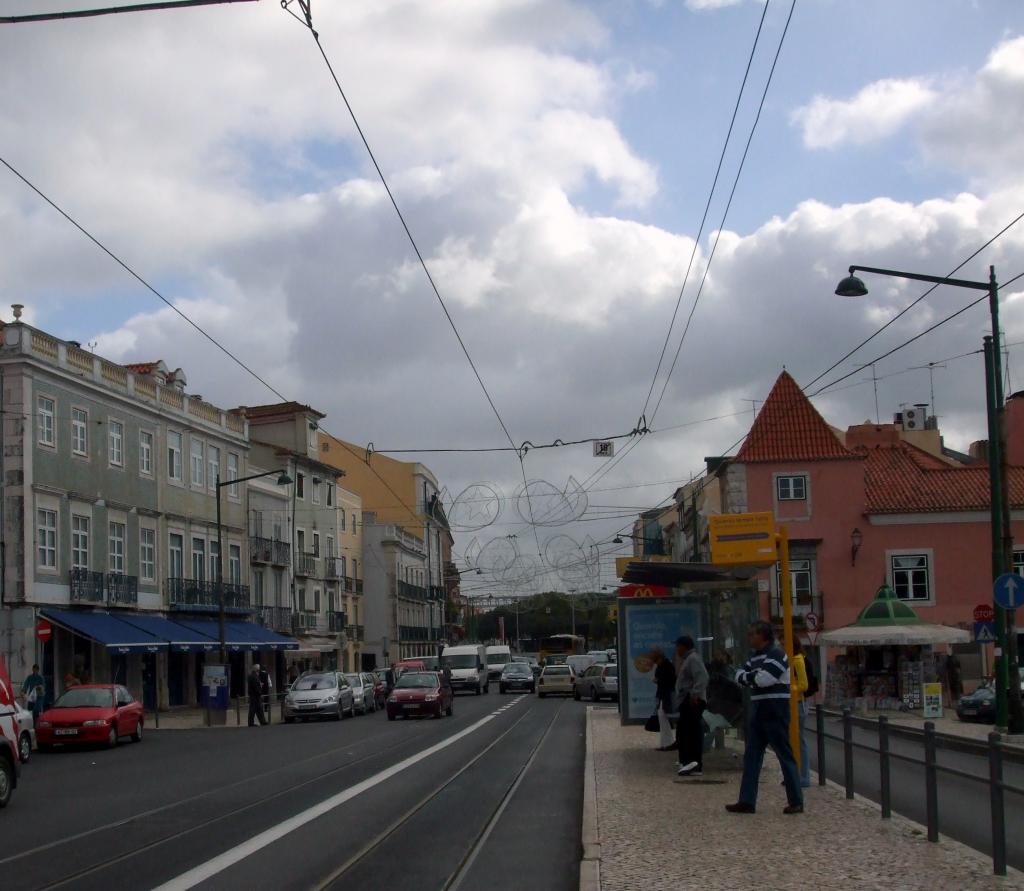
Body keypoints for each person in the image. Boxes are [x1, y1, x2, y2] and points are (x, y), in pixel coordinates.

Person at [726, 620, 804, 815]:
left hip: (775, 709)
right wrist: (751, 677)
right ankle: (746, 800)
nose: (749, 637)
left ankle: (796, 800)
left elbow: (763, 679)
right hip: (759, 709)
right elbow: (740, 675)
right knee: (751, 756)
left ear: (763, 635)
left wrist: (749, 677)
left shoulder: (776, 654)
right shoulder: (755, 656)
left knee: (784, 755)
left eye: (752, 633)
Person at [675, 636, 709, 777]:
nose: (676, 649)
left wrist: (695, 694)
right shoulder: (688, 659)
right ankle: (686, 761)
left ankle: (694, 763)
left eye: (678, 646)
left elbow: (702, 677)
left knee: (691, 732)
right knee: (684, 731)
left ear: (684, 646)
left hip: (692, 701)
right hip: (687, 700)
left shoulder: (693, 658)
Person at [791, 638, 811, 788]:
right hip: (789, 704)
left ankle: (804, 776)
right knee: (791, 740)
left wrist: (790, 689)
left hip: (798, 704)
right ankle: (794, 774)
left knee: (799, 741)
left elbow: (803, 684)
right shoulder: (788, 659)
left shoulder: (797, 660)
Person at [652, 649, 676, 751]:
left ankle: (667, 742)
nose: (655, 662)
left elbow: (669, 681)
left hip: (666, 695)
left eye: (656, 660)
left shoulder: (668, 667)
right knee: (662, 719)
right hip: (662, 695)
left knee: (664, 719)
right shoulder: (662, 666)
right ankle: (666, 742)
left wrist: (658, 680)